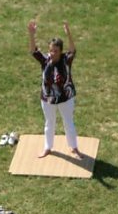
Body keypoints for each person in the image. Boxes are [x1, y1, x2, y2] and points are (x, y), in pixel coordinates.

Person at [28, 20, 79, 159]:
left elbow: (73, 50)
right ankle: (48, 148)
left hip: (66, 97)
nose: (52, 53)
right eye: (51, 50)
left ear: (61, 51)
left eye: (56, 51)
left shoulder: (66, 59)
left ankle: (73, 147)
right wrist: (31, 34)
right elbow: (33, 51)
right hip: (47, 98)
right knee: (49, 123)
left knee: (68, 122)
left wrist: (69, 34)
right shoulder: (45, 59)